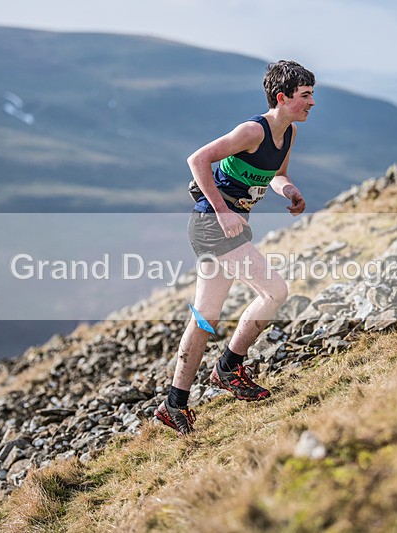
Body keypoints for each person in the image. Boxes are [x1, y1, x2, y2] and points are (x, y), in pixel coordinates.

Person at [155, 60, 315, 436]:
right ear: (282, 97)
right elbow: (198, 159)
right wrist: (223, 210)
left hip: (225, 226)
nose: (311, 103)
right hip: (214, 225)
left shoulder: (288, 133)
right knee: (275, 290)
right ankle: (228, 367)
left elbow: (277, 175)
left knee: (205, 317)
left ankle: (173, 404)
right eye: (305, 96)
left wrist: (288, 190)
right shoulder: (251, 131)